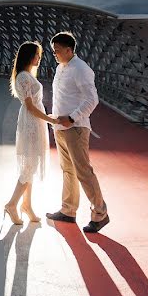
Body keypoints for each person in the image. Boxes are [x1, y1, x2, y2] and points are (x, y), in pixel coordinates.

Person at [46, 31, 110, 233]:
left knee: (83, 171)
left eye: (57, 50)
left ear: (68, 49)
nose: (54, 54)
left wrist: (72, 117)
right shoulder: (60, 68)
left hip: (76, 128)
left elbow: (92, 99)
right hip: (61, 128)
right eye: (53, 51)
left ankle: (100, 213)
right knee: (68, 170)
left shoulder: (81, 69)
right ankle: (68, 210)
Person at [3, 41, 60, 225]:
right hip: (31, 123)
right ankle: (12, 204)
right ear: (29, 56)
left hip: (35, 122)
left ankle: (27, 205)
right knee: (29, 166)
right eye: (37, 55)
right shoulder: (23, 77)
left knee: (31, 166)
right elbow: (30, 107)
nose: (39, 58)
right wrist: (50, 120)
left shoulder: (26, 75)